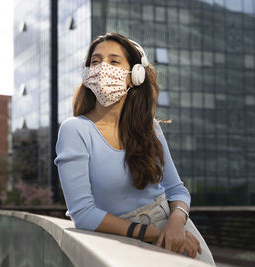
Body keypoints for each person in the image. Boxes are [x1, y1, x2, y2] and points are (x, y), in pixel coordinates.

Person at [54, 32, 215, 265]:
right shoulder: (75, 130)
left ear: (134, 76)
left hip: (178, 233)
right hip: (122, 240)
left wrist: (176, 223)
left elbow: (177, 190)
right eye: (95, 61)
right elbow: (83, 214)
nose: (102, 68)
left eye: (114, 61)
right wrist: (153, 233)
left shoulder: (150, 128)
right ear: (87, 74)